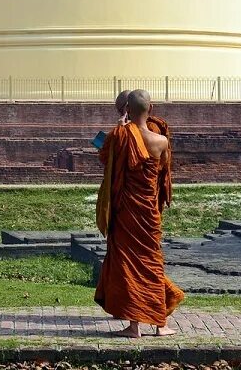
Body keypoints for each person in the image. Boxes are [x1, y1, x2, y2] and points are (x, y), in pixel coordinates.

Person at [94, 89, 184, 338]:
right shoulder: (162, 141)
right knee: (151, 264)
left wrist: (119, 128)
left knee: (129, 266)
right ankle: (160, 325)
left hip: (126, 211)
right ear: (151, 109)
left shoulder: (121, 135)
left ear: (127, 111)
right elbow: (162, 175)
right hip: (148, 211)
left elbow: (104, 157)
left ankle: (134, 327)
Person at [112, 90, 172, 210]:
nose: (120, 114)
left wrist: (119, 133)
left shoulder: (152, 127)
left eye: (120, 110)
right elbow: (161, 163)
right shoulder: (123, 133)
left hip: (142, 196)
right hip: (139, 198)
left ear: (127, 108)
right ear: (150, 107)